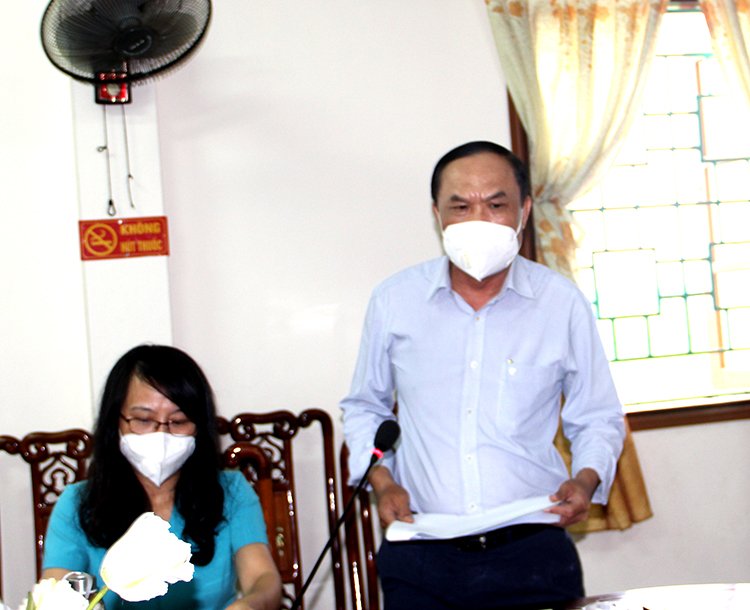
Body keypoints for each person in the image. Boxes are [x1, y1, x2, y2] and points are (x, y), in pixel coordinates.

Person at [341, 141, 625, 610]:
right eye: (461, 207)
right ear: (437, 214)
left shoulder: (561, 303)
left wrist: (587, 478)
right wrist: (384, 481)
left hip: (532, 550)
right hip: (420, 551)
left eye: (496, 205)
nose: (478, 220)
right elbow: (365, 407)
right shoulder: (394, 300)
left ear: (524, 211)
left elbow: (597, 414)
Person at [42, 344, 282, 610]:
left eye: (178, 422)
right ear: (115, 421)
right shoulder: (76, 504)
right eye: (144, 420)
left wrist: (250, 604)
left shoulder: (231, 491)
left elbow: (262, 577)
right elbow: (55, 595)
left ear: (200, 426)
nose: (162, 434)